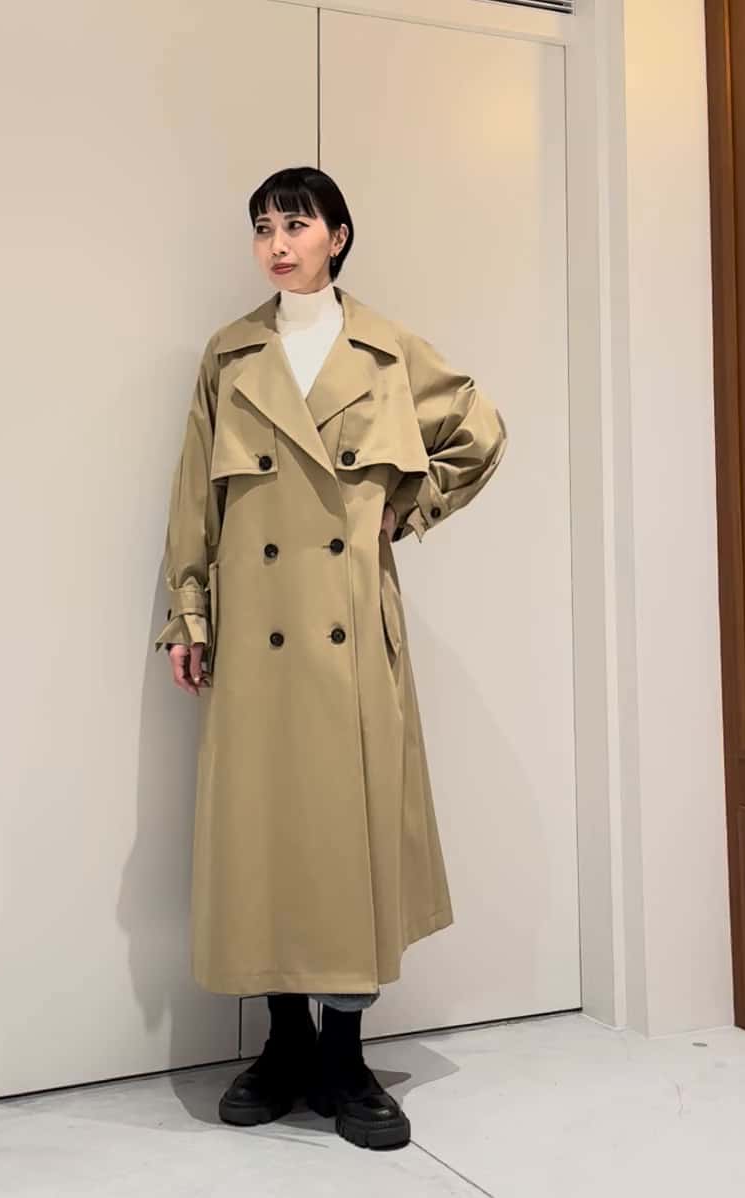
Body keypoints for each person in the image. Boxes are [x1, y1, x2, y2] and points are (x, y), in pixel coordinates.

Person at [154, 166, 507, 1150]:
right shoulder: (229, 355)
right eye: (263, 227)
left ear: (337, 236)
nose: (277, 243)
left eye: (296, 224)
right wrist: (189, 614)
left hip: (349, 627)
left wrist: (410, 506)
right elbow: (194, 494)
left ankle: (344, 1055)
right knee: (264, 828)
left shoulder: (388, 352)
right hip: (256, 630)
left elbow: (480, 432)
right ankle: (284, 1042)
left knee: (347, 832)